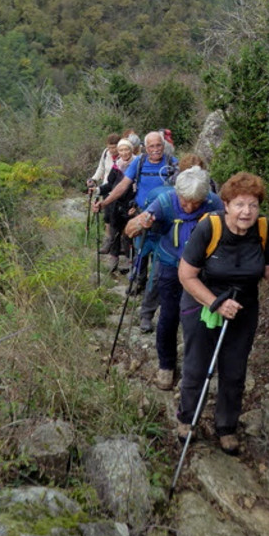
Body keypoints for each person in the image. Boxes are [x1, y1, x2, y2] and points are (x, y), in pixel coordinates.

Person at [176, 171, 269, 455]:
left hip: (243, 309)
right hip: (203, 304)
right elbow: (186, 275)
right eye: (239, 204)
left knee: (235, 370)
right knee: (197, 366)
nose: (246, 211)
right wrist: (215, 303)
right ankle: (187, 419)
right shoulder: (209, 227)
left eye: (253, 205)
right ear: (226, 204)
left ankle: (226, 427)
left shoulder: (261, 229)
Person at [126, 165, 223, 389]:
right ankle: (166, 365)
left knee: (201, 320)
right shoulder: (165, 202)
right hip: (170, 266)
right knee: (169, 316)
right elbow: (129, 230)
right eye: (185, 202)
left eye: (196, 203)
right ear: (177, 192)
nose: (190, 207)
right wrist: (141, 223)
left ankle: (198, 368)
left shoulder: (213, 203)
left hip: (202, 271)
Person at [94, 131, 178, 332]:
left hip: (165, 224)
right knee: (139, 257)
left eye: (159, 145)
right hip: (140, 219)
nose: (156, 150)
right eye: (152, 146)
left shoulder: (173, 163)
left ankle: (146, 312)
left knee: (158, 270)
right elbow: (122, 186)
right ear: (145, 148)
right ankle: (138, 282)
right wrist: (105, 202)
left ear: (163, 146)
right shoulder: (139, 163)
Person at [99, 138, 136, 274]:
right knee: (114, 232)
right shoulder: (116, 166)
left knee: (128, 234)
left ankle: (129, 260)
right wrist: (97, 190)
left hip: (130, 205)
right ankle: (113, 259)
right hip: (115, 204)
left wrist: (135, 204)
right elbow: (110, 185)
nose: (124, 152)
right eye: (121, 150)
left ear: (131, 150)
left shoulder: (137, 165)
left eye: (126, 149)